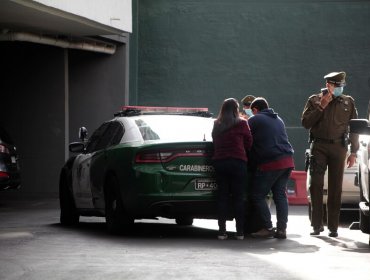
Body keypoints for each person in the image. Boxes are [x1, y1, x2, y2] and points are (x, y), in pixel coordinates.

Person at [302, 71, 359, 237]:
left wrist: (353, 152)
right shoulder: (314, 100)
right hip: (318, 146)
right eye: (337, 86)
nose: (340, 89)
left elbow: (354, 128)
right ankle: (316, 225)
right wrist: (322, 106)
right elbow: (306, 123)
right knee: (316, 185)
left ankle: (333, 227)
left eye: (342, 86)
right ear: (328, 85)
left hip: (339, 147)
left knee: (335, 188)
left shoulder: (348, 102)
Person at [248, 97, 295, 239]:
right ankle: (281, 230)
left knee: (257, 195)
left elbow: (245, 137)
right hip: (287, 161)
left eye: (252, 112)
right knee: (280, 195)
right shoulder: (278, 119)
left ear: (255, 109)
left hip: (271, 163)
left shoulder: (255, 120)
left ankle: (268, 227)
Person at [212, 98, 253, 240]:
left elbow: (214, 140)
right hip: (238, 162)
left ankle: (221, 232)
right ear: (236, 109)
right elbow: (249, 142)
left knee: (222, 197)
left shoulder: (217, 124)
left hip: (220, 162)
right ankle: (240, 232)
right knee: (238, 197)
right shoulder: (242, 123)